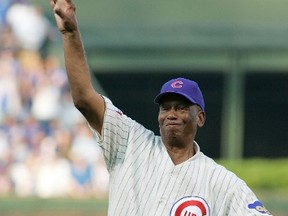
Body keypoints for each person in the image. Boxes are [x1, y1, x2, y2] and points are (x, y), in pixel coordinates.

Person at [49, 0, 272, 215]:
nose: (171, 114)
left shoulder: (221, 182)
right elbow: (84, 99)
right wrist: (70, 34)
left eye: (182, 107)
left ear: (200, 117)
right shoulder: (131, 142)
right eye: (166, 108)